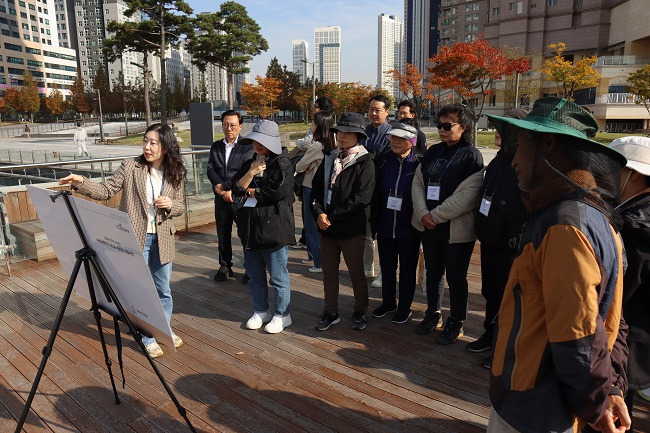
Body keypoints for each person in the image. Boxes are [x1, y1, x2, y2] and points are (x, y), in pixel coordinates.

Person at [485, 97, 630, 432]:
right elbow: (615, 319)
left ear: (548, 144)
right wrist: (609, 388)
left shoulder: (565, 225)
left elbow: (577, 335)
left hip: (535, 409)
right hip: (545, 403)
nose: (514, 161)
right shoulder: (592, 213)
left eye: (519, 147)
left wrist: (596, 403)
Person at [59, 123, 186, 359]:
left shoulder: (176, 172)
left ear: (166, 147)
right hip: (135, 238)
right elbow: (106, 190)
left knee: (163, 290)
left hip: (164, 239)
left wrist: (171, 205)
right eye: (145, 141)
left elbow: (181, 206)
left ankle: (163, 329)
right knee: (141, 291)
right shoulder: (131, 166)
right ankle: (147, 336)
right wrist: (80, 182)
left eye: (153, 142)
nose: (147, 147)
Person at [411, 103, 484, 344]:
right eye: (439, 124)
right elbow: (418, 182)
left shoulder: (471, 155)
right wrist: (423, 213)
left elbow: (468, 195)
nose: (441, 130)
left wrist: (436, 215)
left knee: (456, 276)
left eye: (447, 125)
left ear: (463, 127)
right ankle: (433, 313)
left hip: (455, 229)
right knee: (433, 272)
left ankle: (457, 320)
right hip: (429, 225)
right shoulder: (434, 151)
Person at [466, 109, 528, 363]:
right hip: (490, 241)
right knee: (491, 292)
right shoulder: (498, 161)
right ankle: (490, 335)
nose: (497, 134)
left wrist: (515, 236)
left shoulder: (525, 163)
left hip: (511, 245)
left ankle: (504, 348)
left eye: (504, 130)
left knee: (508, 298)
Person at [312, 112, 375, 331]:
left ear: (359, 135)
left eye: (349, 133)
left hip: (351, 228)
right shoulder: (330, 157)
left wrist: (331, 216)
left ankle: (360, 310)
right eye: (340, 132)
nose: (343, 136)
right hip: (326, 227)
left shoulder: (365, 161)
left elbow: (362, 199)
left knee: (356, 272)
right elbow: (316, 190)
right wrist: (319, 212)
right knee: (329, 273)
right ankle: (330, 311)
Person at [231, 120, 295, 334]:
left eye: (262, 141)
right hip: (250, 226)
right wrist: (251, 173)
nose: (257, 145)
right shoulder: (251, 160)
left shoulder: (283, 162)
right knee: (255, 274)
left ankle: (282, 314)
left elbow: (277, 192)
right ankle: (261, 310)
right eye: (255, 140)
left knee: (278, 275)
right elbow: (235, 188)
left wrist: (252, 191)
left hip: (273, 227)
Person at [609, 136, 650, 432]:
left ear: (633, 175)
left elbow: (620, 291)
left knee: (621, 413)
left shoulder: (634, 224)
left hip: (632, 339)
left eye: (614, 169)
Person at [370, 122, 422, 324]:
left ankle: (405, 307)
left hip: (409, 228)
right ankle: (388, 302)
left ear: (412, 141)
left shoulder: (419, 163)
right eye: (393, 137)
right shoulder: (383, 160)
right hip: (384, 226)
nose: (395, 142)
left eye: (401, 138)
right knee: (387, 267)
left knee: (407, 270)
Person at [207, 110, 254, 283]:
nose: (229, 128)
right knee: (222, 234)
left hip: (239, 198)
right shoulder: (216, 146)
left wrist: (226, 188)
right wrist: (218, 189)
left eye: (233, 125)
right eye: (226, 124)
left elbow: (244, 172)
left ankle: (250, 268)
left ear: (240, 126)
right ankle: (225, 266)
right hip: (221, 199)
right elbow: (210, 169)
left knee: (244, 234)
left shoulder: (247, 147)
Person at [291, 96, 335, 250]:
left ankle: (316, 259)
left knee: (311, 223)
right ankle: (314, 254)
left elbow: (300, 166)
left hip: (310, 185)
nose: (313, 109)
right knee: (314, 222)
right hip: (322, 185)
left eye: (316, 106)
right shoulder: (331, 140)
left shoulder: (317, 144)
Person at [362, 94, 393, 285]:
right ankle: (367, 267)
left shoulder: (392, 134)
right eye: (371, 109)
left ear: (387, 112)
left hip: (384, 189)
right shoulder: (362, 132)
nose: (373, 113)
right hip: (365, 190)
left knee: (384, 233)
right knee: (366, 230)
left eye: (378, 110)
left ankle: (384, 272)